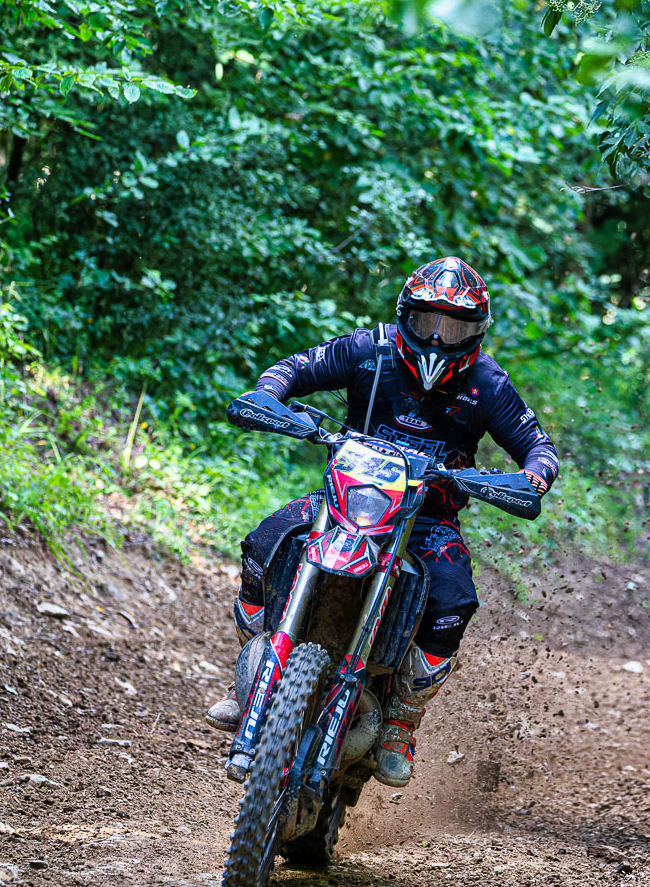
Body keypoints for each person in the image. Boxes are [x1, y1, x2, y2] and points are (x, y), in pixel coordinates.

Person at [206, 256, 559, 787]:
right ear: (404, 316)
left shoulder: (488, 383)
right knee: (263, 545)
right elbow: (294, 368)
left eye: (453, 328)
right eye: (427, 321)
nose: (437, 338)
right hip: (344, 504)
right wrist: (270, 395)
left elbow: (538, 447)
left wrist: (531, 478)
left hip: (428, 519)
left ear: (476, 332)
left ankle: (399, 722)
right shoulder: (368, 349)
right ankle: (252, 675)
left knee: (454, 602)